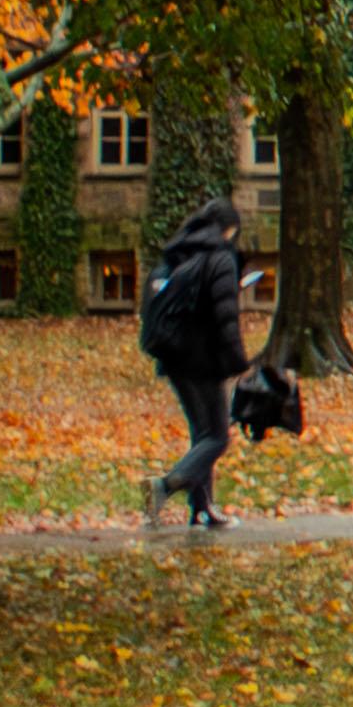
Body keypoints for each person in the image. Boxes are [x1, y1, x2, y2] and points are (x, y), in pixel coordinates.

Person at [140, 194, 249, 531]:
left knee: (202, 435)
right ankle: (166, 486)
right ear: (229, 229)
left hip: (173, 355)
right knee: (217, 436)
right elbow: (225, 317)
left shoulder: (178, 254)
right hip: (203, 358)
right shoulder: (219, 258)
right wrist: (237, 362)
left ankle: (202, 510)